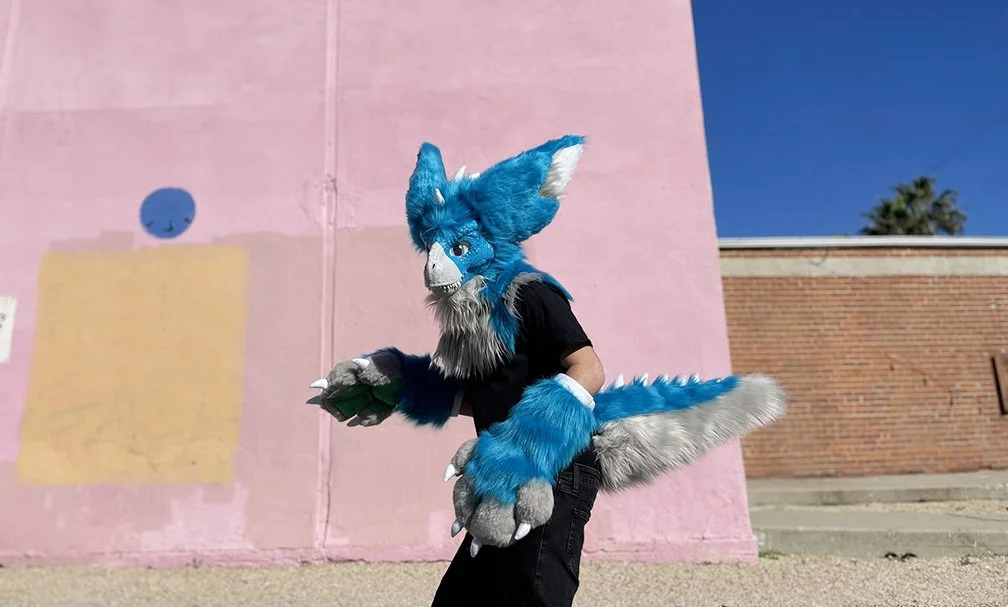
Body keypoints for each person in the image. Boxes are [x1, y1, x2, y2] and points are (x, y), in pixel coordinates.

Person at [308, 135, 786, 607]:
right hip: (499, 477)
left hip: (557, 467)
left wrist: (523, 448)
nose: (436, 260)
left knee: (534, 595)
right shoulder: (468, 324)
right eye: (433, 244)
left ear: (485, 243)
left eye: (456, 247)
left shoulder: (530, 293)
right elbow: (476, 396)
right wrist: (398, 383)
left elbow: (589, 368)